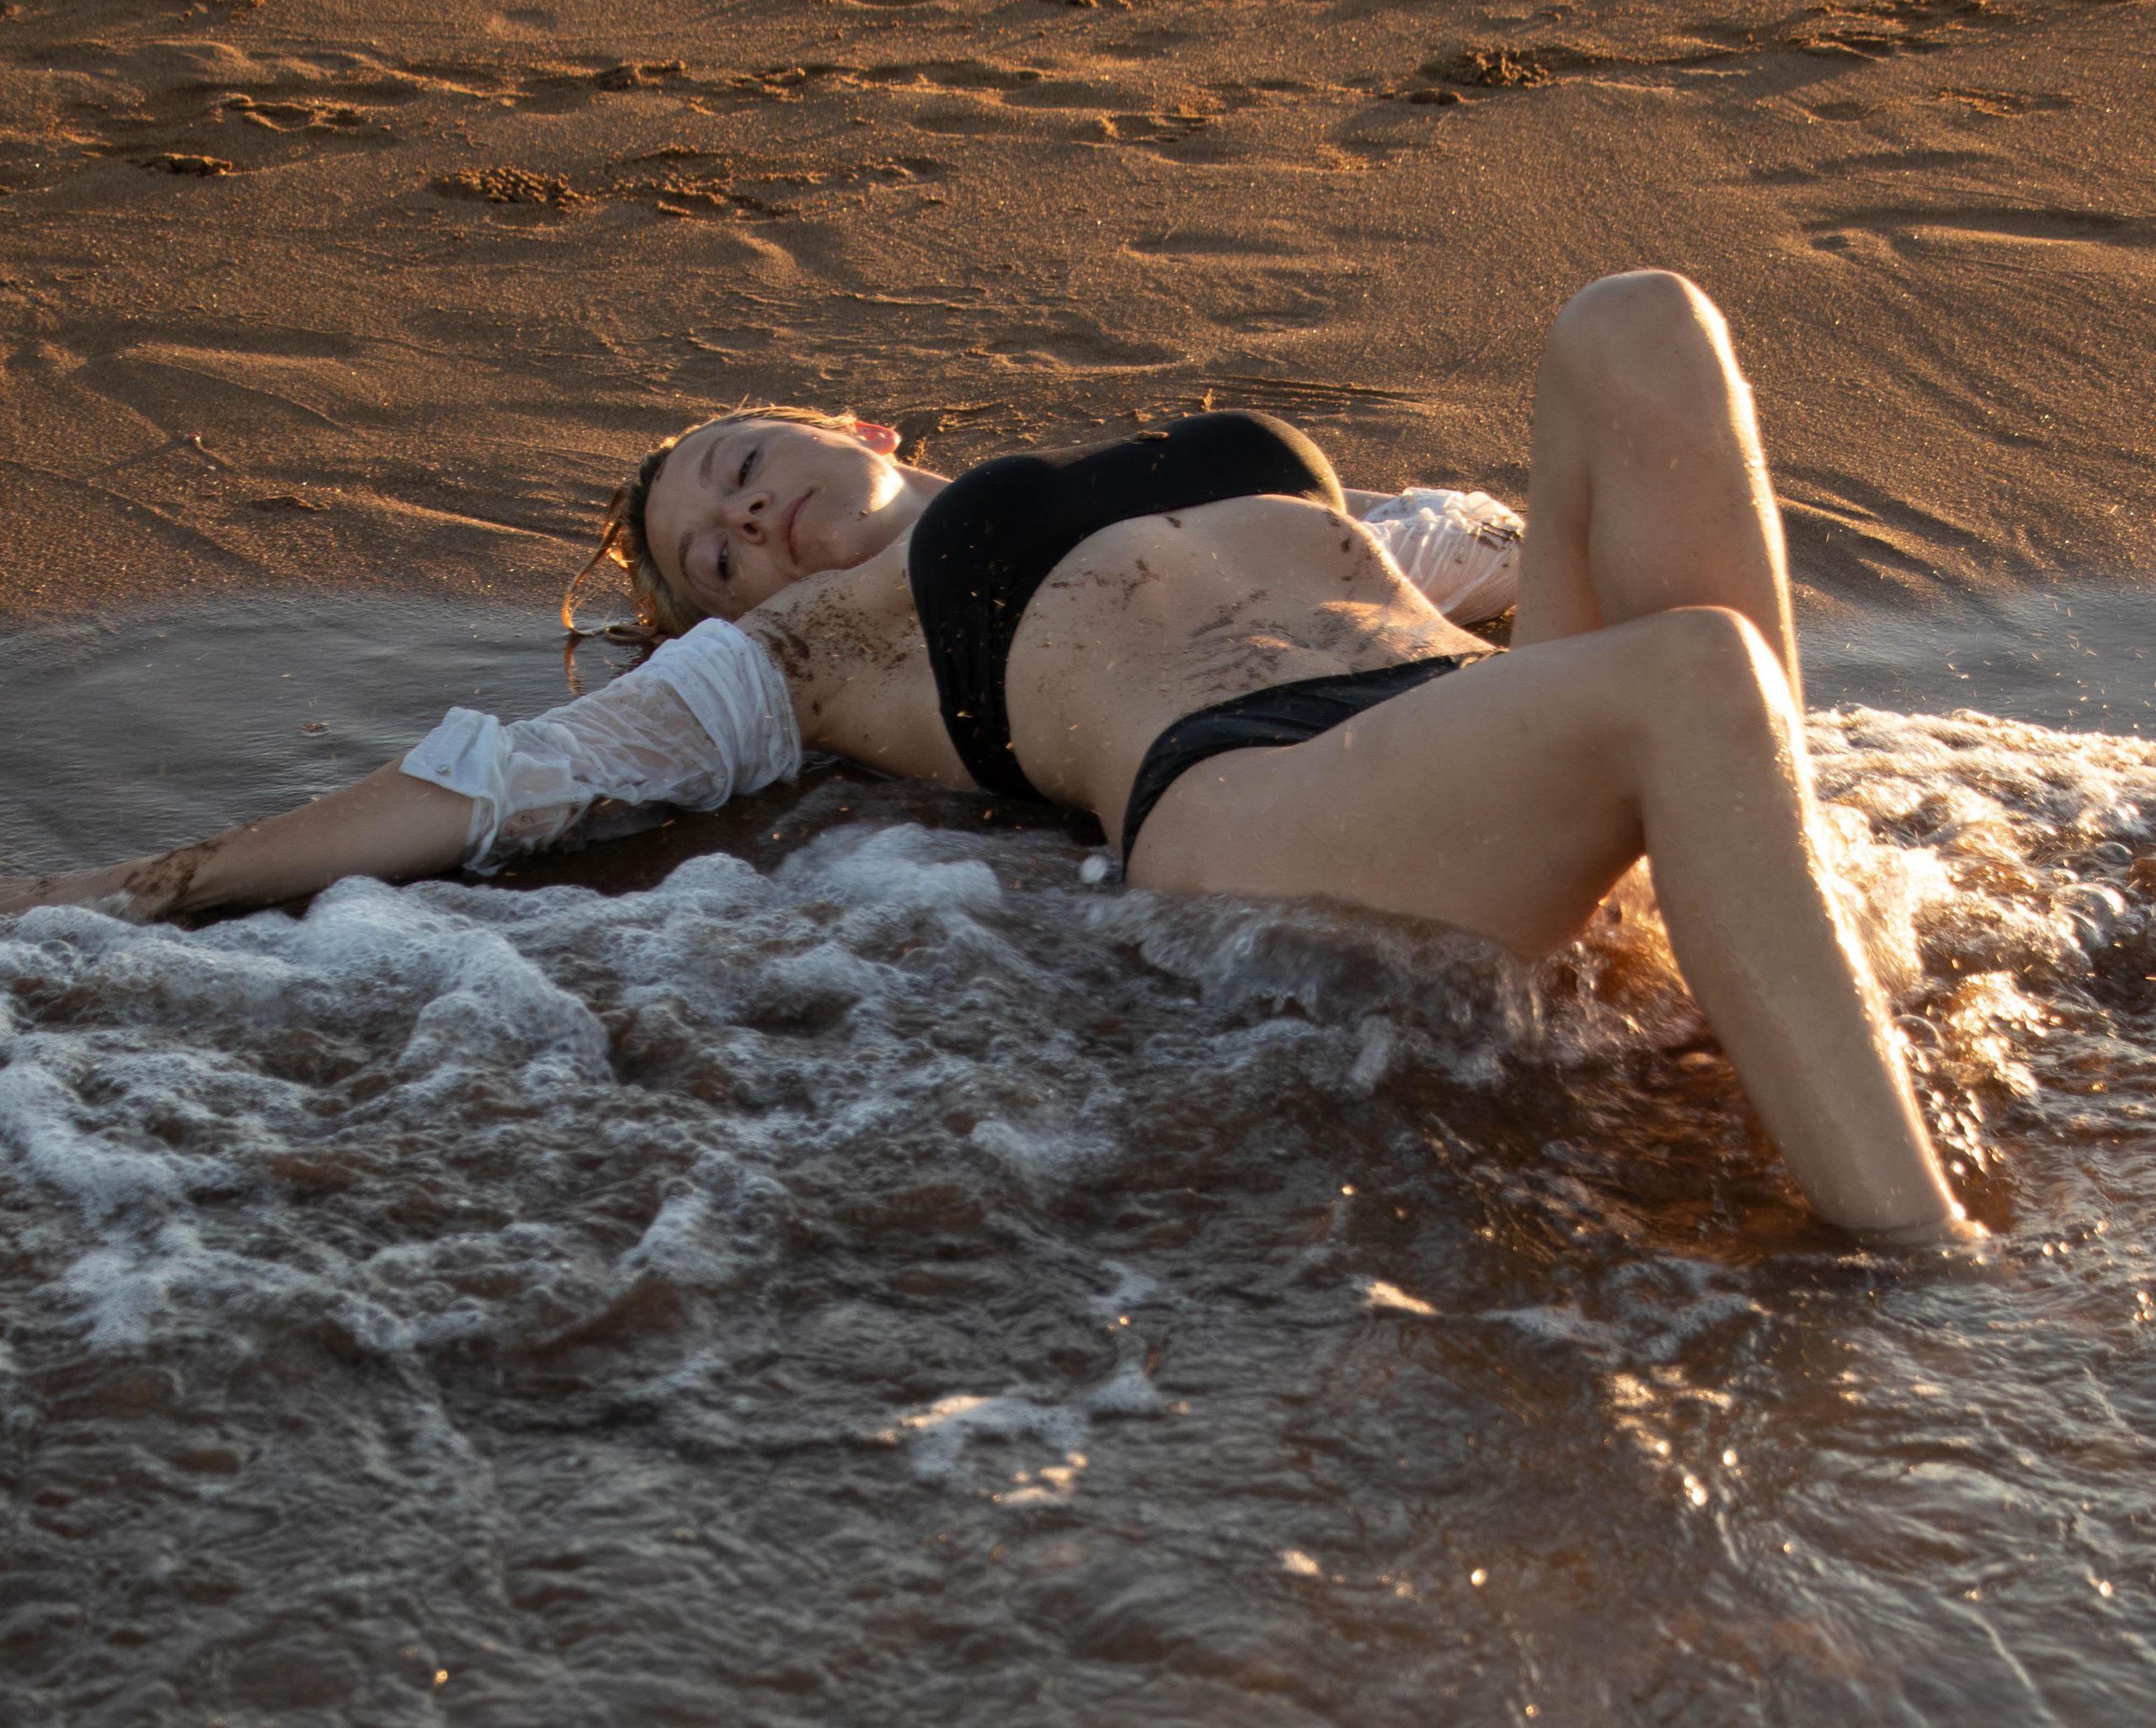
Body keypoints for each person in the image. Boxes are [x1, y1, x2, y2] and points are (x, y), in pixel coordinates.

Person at [0, 270, 1974, 1242]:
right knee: (1696, 671)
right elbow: (499, 781)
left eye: (741, 467)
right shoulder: (808, 642)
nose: (746, 523)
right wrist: (139, 892)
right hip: (1262, 790)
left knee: (1635, 321)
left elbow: (1457, 552)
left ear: (840, 414)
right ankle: (1915, 1264)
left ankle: (1763, 907)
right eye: (708, 548)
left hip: (1450, 719)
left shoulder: (1217, 457)